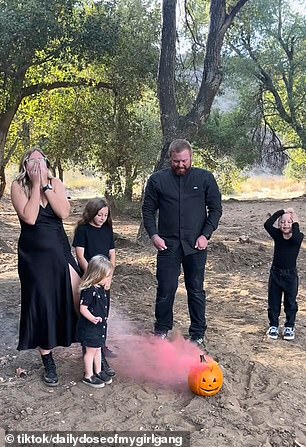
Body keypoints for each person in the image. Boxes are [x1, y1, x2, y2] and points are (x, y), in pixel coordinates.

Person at [142, 138, 222, 346]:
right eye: (177, 161)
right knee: (166, 288)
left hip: (196, 244)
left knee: (195, 289)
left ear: (191, 157)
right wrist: (154, 235)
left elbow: (215, 210)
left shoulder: (205, 178)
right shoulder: (157, 180)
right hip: (167, 244)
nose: (180, 165)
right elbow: (148, 211)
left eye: (184, 161)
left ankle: (197, 332)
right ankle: (161, 329)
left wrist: (206, 235)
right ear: (170, 158)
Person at [11, 148, 80, 386]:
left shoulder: (55, 183)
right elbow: (29, 218)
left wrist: (47, 186)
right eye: (33, 161)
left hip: (59, 250)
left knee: (80, 294)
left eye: (42, 161)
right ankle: (48, 359)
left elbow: (64, 212)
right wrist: (36, 185)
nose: (38, 164)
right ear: (25, 166)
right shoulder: (18, 186)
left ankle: (95, 346)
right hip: (33, 257)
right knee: (41, 303)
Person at [73, 197, 116, 376]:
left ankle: (101, 347)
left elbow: (112, 255)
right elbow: (80, 256)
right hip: (90, 278)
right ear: (92, 213)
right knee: (89, 313)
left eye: (105, 215)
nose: (102, 218)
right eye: (99, 215)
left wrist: (108, 277)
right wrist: (93, 276)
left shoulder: (107, 230)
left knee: (102, 313)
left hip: (104, 278)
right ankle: (89, 348)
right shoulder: (83, 230)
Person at [264, 208, 304, 341]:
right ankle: (274, 325)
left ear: (294, 223)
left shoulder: (298, 237)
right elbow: (267, 224)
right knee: (273, 302)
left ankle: (289, 326)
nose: (285, 224)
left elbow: (296, 237)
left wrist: (295, 220)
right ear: (279, 224)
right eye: (282, 222)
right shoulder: (277, 235)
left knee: (290, 302)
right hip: (275, 274)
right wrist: (281, 211)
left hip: (290, 276)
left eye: (289, 222)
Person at [77, 255, 114, 388]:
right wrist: (92, 318)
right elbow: (83, 308)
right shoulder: (89, 290)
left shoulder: (101, 289)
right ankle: (88, 375)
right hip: (90, 328)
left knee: (98, 349)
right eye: (107, 276)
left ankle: (98, 371)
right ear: (97, 275)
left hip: (99, 327)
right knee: (90, 352)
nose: (108, 279)